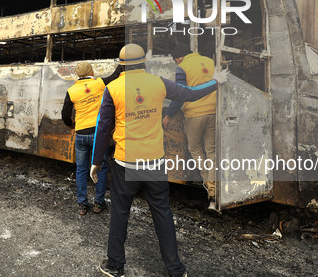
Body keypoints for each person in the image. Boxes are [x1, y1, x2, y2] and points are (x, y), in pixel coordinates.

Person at [90, 44, 226, 277]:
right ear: (144, 62)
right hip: (155, 163)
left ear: (121, 65)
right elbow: (191, 94)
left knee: (120, 214)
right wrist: (216, 81)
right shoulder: (159, 83)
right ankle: (175, 269)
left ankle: (115, 265)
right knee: (162, 213)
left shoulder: (112, 88)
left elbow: (103, 128)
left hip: (125, 165)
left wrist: (96, 161)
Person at [61, 61, 122, 215]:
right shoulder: (99, 84)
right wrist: (122, 62)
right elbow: (115, 76)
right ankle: (99, 204)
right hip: (98, 135)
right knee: (100, 168)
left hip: (81, 134)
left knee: (81, 169)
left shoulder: (72, 90)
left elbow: (65, 115)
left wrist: (72, 125)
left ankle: (82, 204)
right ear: (91, 71)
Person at [162, 43, 218, 210]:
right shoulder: (209, 61)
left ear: (179, 58)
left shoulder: (183, 67)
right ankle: (214, 192)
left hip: (194, 115)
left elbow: (179, 96)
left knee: (194, 148)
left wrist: (168, 115)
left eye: (176, 61)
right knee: (212, 151)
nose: (177, 64)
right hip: (214, 112)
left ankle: (209, 185)